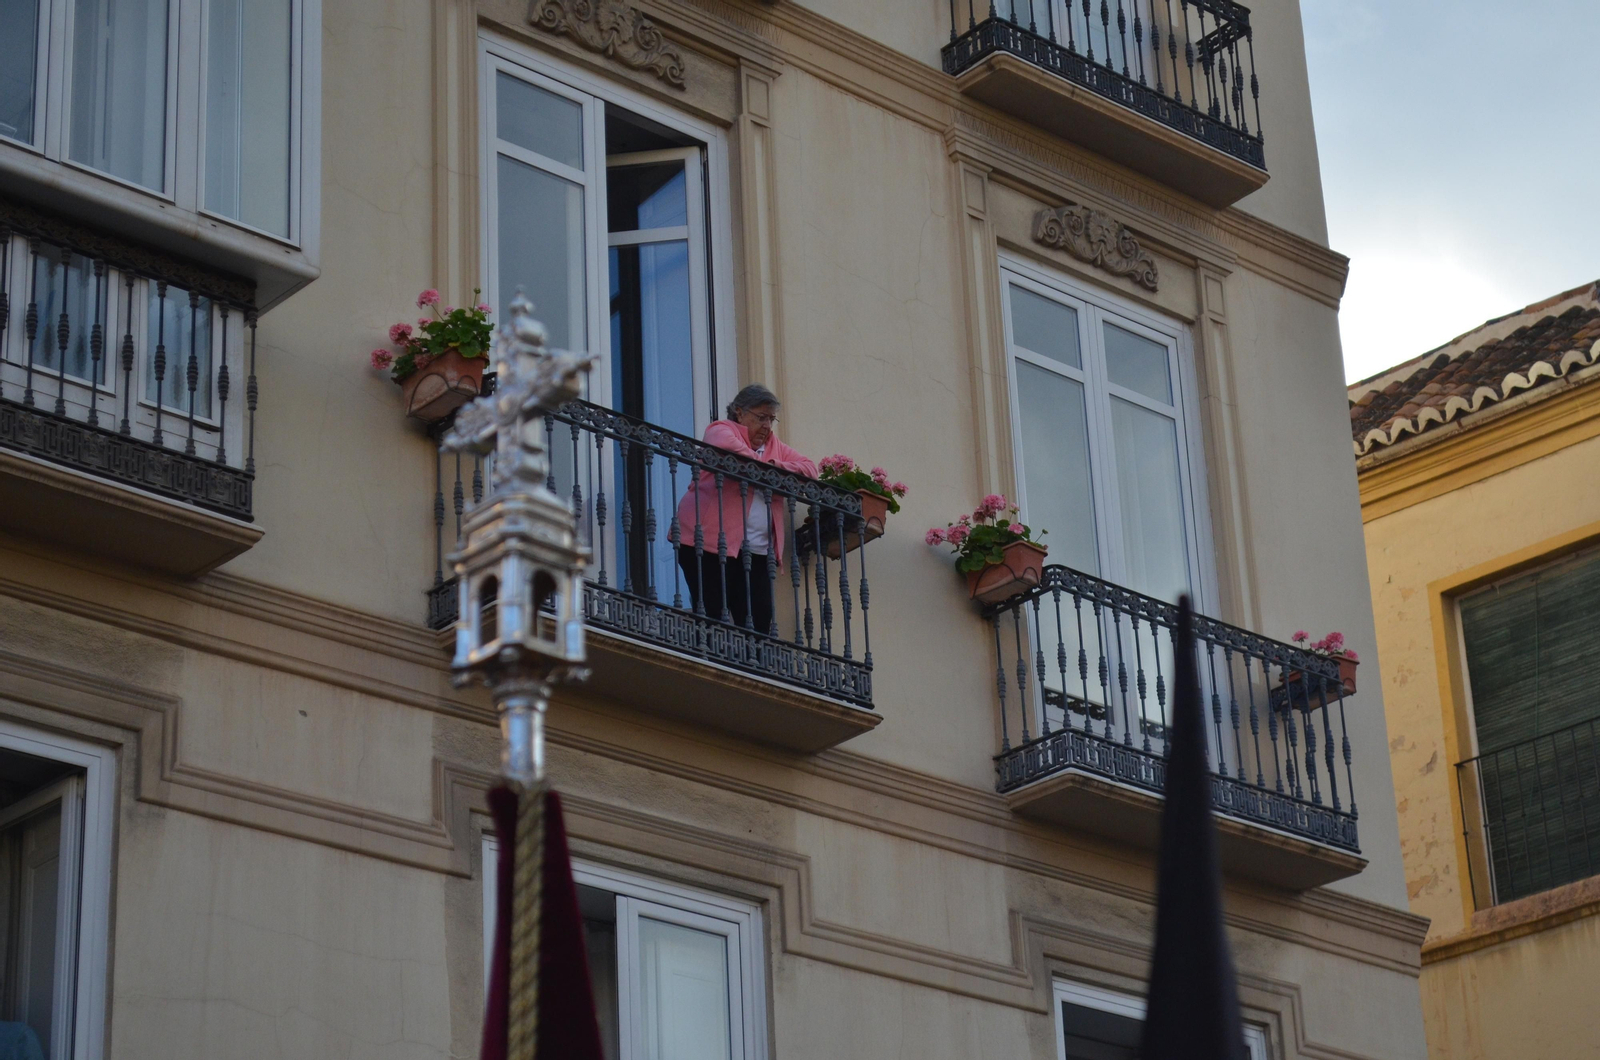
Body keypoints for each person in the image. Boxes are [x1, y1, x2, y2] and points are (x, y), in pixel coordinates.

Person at [676, 384, 817, 633]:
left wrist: (772, 466)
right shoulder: (721, 429)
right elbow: (731, 452)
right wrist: (771, 472)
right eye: (761, 417)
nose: (767, 426)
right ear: (739, 412)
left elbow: (810, 469)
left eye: (771, 419)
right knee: (711, 615)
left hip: (757, 552)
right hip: (708, 544)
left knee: (759, 624)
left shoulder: (774, 446)